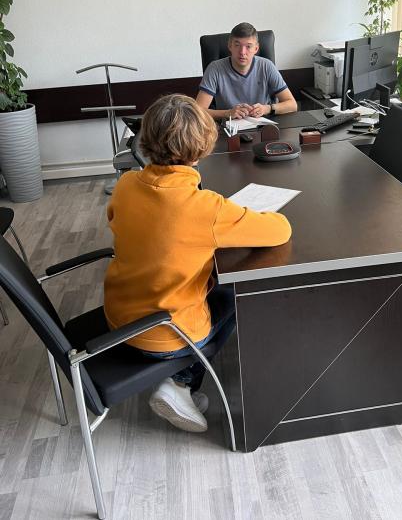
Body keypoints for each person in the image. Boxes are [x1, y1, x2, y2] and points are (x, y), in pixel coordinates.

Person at [104, 94, 292, 432]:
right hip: (166, 336)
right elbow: (280, 230)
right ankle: (181, 381)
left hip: (119, 318)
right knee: (236, 291)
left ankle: (179, 379)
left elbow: (121, 222)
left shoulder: (126, 184)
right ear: (201, 148)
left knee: (206, 276)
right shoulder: (205, 207)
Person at [196, 22, 298, 120]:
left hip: (263, 126)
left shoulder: (267, 66)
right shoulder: (215, 69)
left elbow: (292, 105)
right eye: (237, 45)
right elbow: (197, 111)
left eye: (248, 46)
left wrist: (267, 109)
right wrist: (228, 113)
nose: (242, 52)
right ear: (230, 46)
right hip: (228, 127)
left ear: (256, 48)